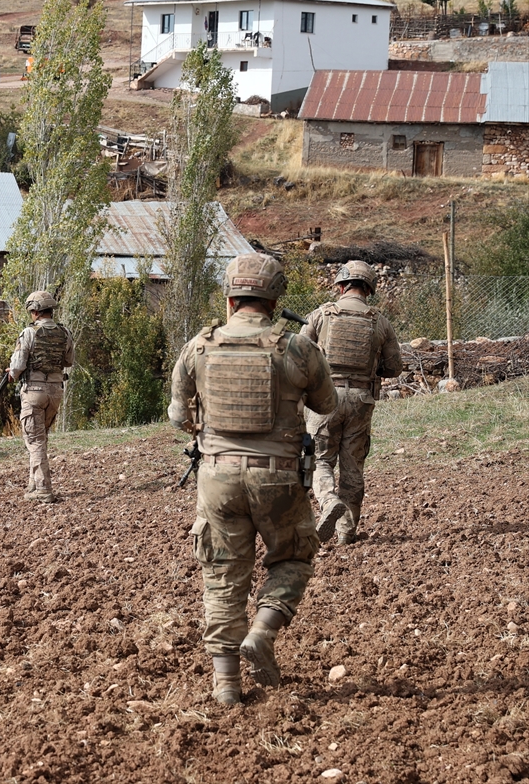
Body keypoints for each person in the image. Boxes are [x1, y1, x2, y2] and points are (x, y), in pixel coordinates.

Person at [169, 254, 337, 706]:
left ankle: (226, 685)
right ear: (275, 300)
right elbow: (327, 404)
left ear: (230, 299)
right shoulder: (296, 347)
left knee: (222, 575)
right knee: (294, 557)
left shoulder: (198, 347)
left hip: (217, 479)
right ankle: (263, 630)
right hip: (279, 479)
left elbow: (176, 415)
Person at [302, 260, 402, 545]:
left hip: (324, 398)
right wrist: (371, 369)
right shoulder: (379, 320)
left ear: (341, 285)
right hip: (361, 400)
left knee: (320, 460)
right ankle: (347, 532)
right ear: (369, 289)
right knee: (352, 467)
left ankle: (328, 499)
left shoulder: (321, 315)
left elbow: (296, 357)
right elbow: (394, 367)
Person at [7, 290, 74, 503]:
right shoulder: (65, 332)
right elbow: (69, 361)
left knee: (34, 440)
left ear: (34, 311)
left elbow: (17, 366)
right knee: (40, 438)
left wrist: (12, 374)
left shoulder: (28, 333)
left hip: (34, 391)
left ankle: (43, 489)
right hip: (56, 390)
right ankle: (33, 484)